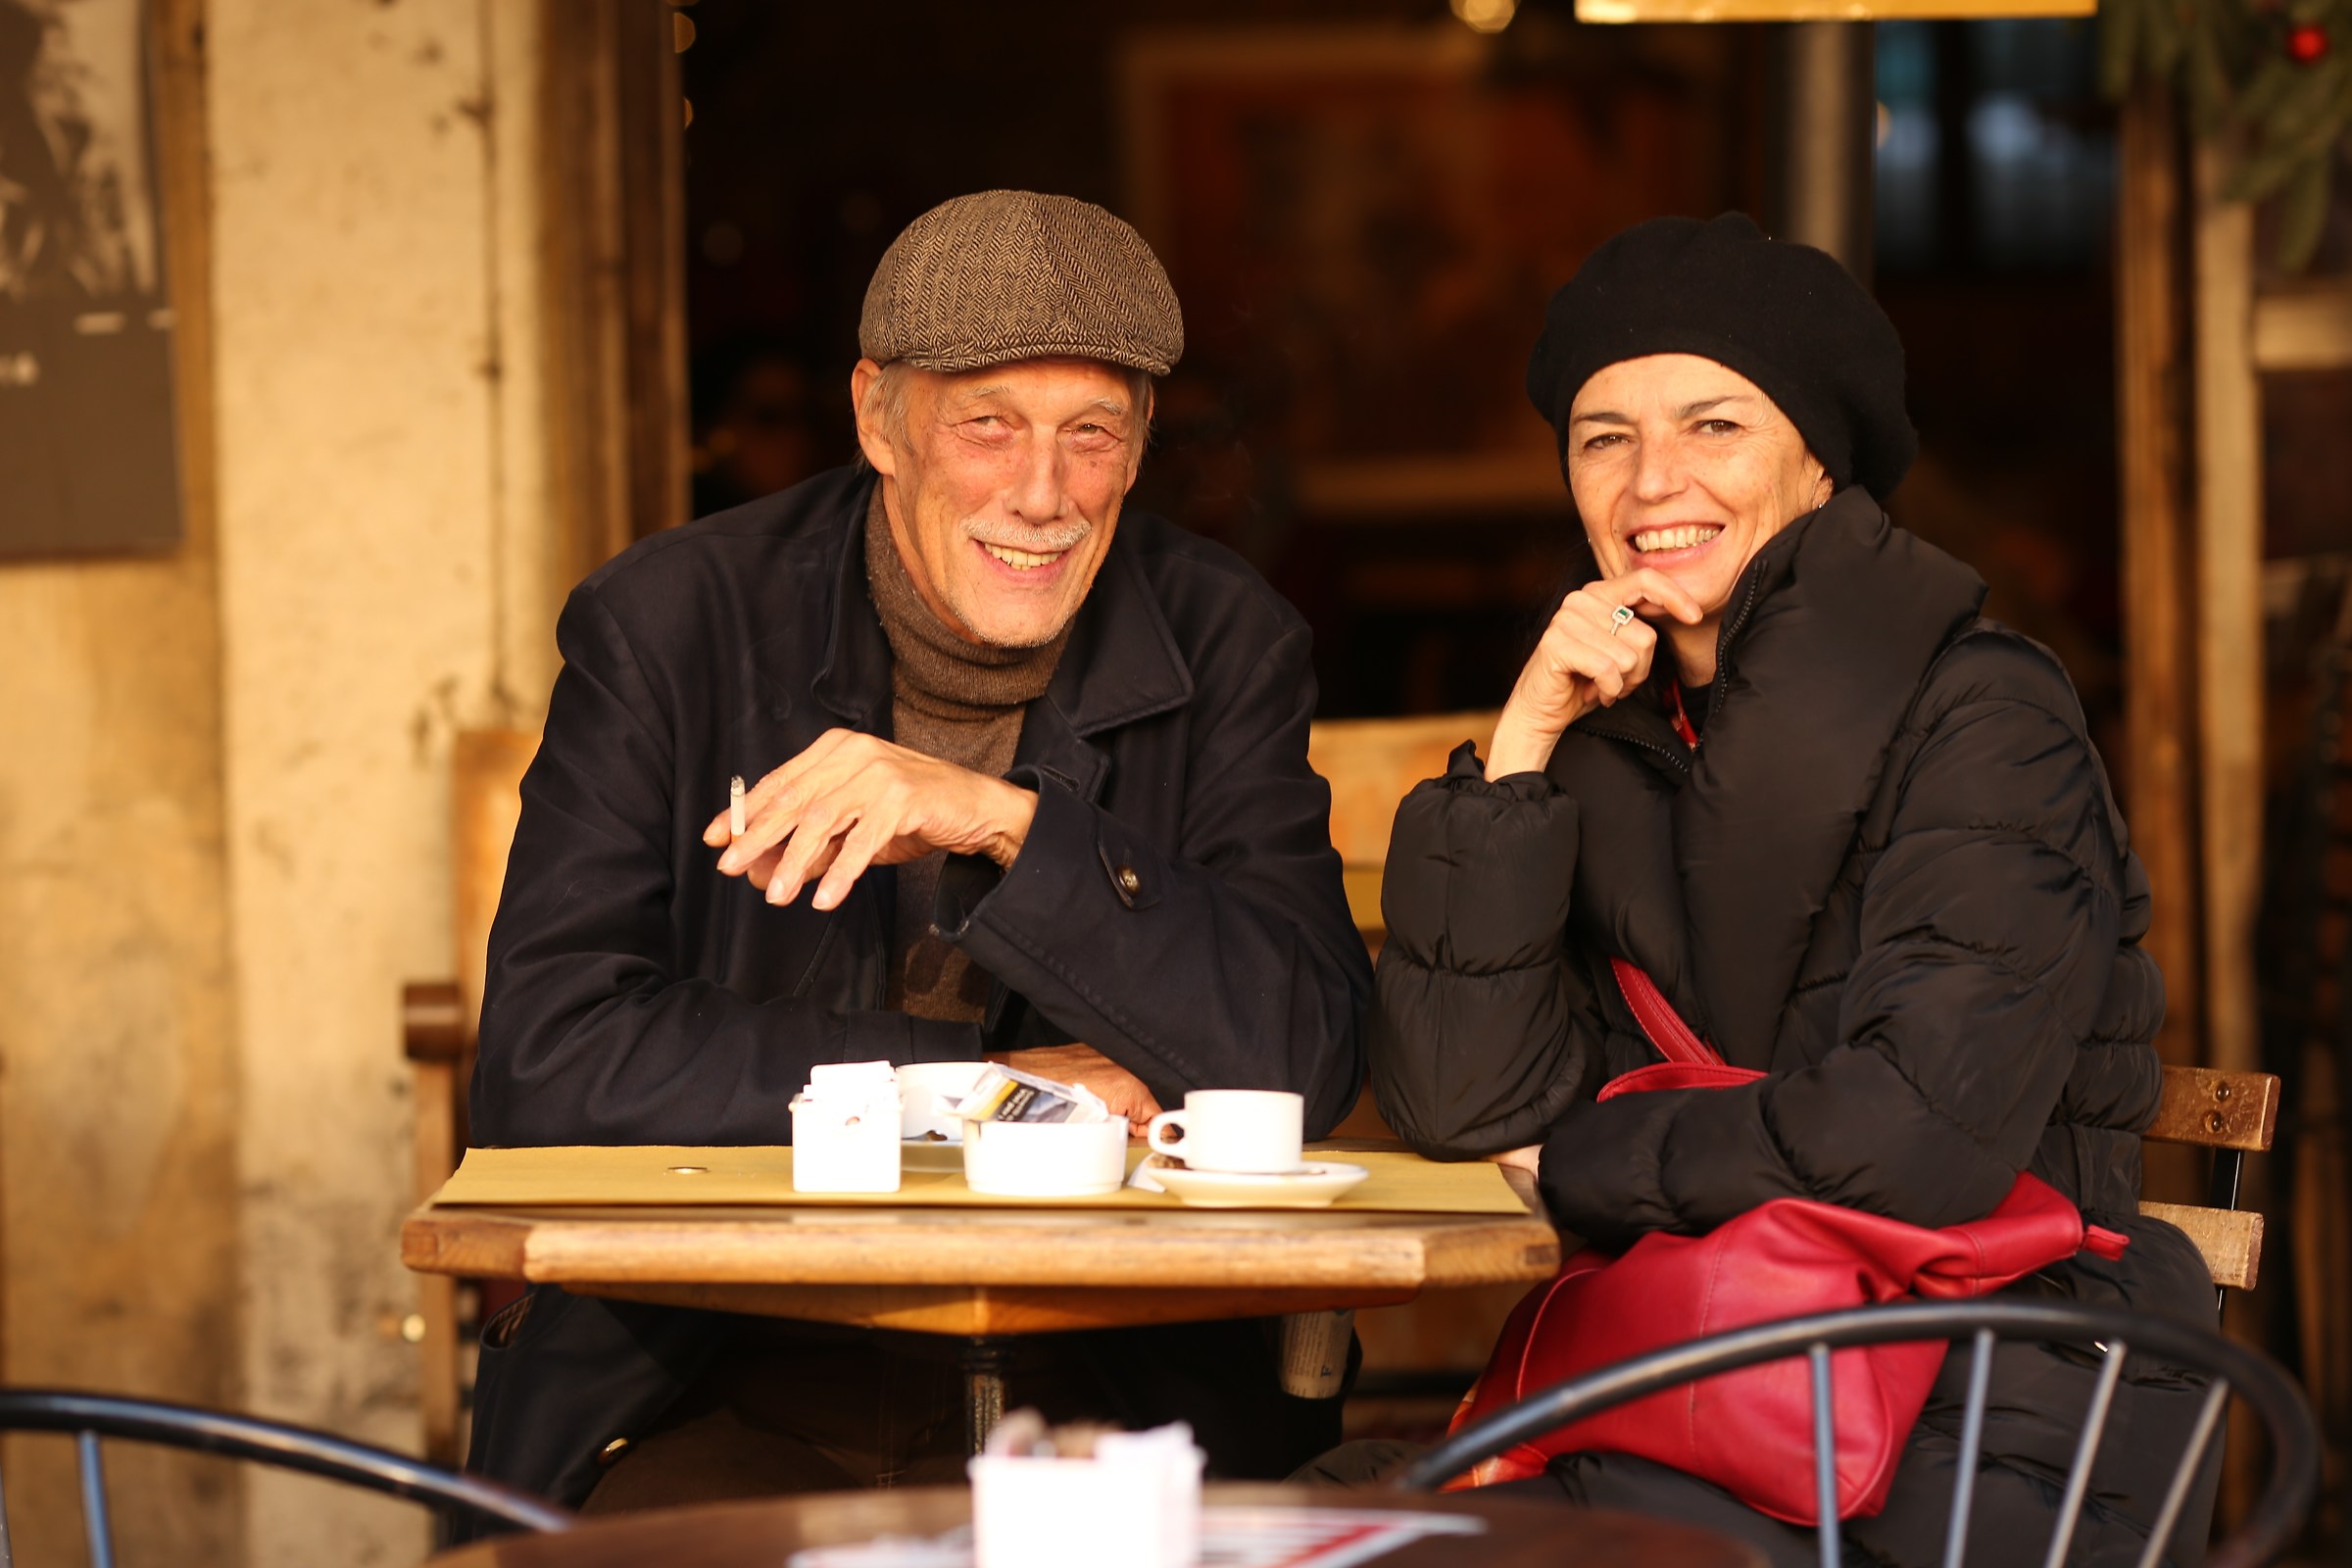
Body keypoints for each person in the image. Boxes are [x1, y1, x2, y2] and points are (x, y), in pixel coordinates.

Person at [463, 190, 1370, 1522]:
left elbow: (1305, 1053)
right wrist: (983, 1090)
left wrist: (1001, 822)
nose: (1043, 494)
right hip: (723, 1383)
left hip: (1110, 1404)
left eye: (1093, 435)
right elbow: (544, 1062)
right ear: (879, 417)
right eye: (987, 425)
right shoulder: (672, 624)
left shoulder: (1226, 639)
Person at [1366, 214, 2216, 1566]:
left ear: (1821, 459)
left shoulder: (1988, 717)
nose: (1654, 481)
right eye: (1605, 436)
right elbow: (1461, 1106)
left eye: (1715, 426)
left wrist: (1584, 1165)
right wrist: (1517, 755)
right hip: (1723, 1389)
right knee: (1298, 1514)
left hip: (1976, 1401)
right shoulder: (1613, 749)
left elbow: (1915, 1137)